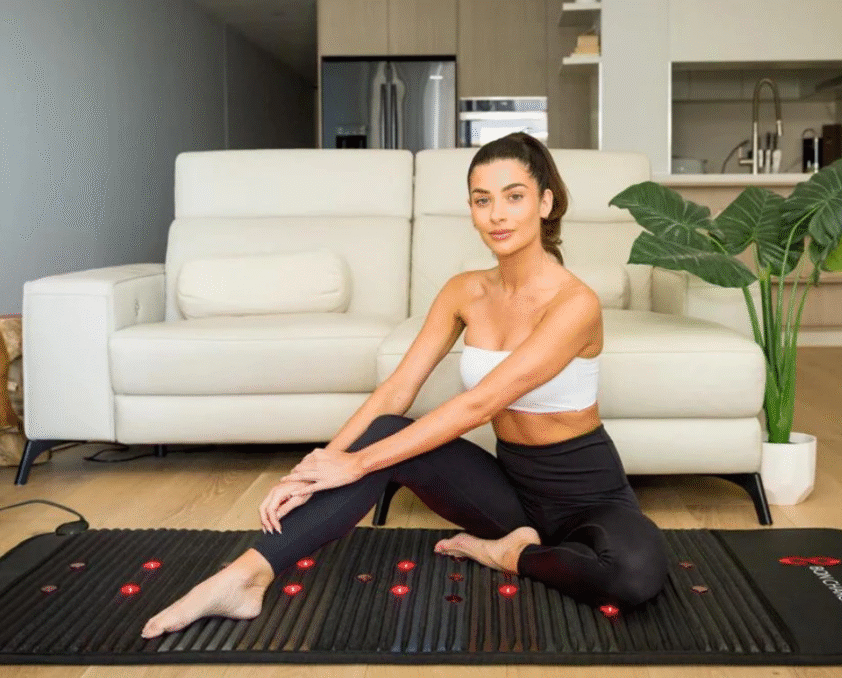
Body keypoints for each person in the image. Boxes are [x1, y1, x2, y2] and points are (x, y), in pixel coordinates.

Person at [141, 132, 668, 639]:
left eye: (514, 196)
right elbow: (397, 390)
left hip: (590, 500)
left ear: (546, 203)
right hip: (509, 496)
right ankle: (248, 574)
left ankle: (504, 553)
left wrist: (358, 463)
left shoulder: (575, 303)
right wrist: (315, 467)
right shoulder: (465, 291)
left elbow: (482, 402)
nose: (497, 214)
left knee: (633, 579)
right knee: (386, 430)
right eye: (482, 200)